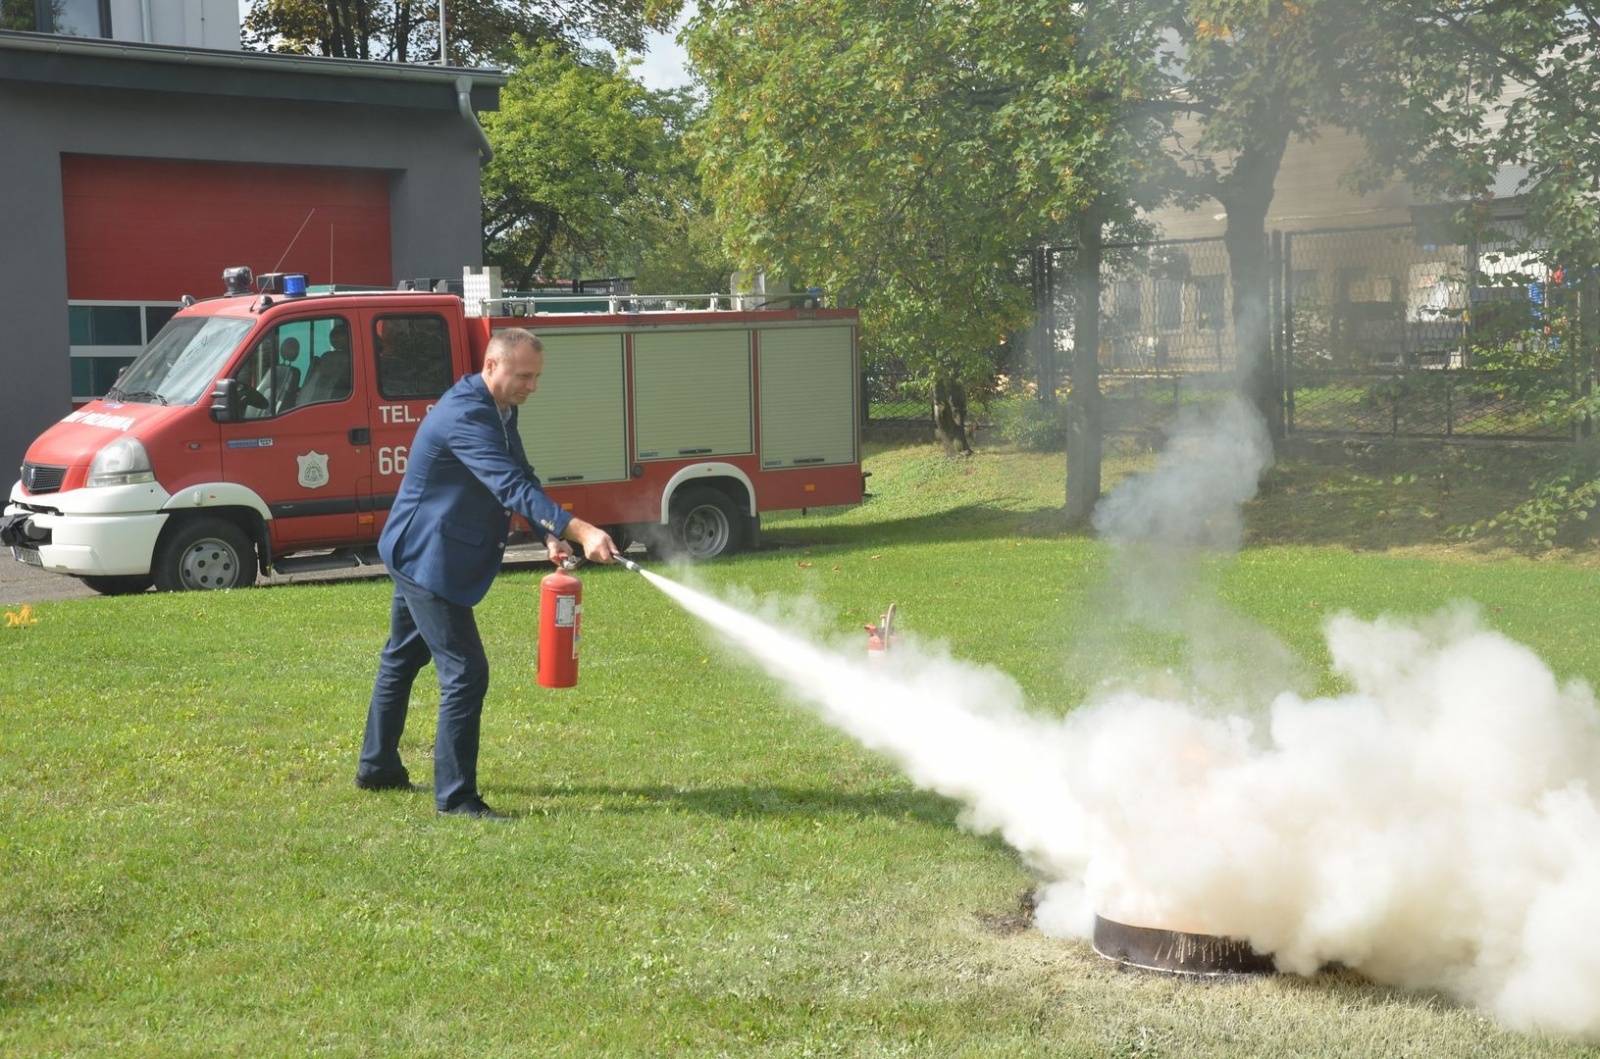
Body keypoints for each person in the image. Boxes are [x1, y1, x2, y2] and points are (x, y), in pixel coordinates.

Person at [355, 328, 621, 819]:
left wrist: (547, 533)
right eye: (524, 375)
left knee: (401, 657)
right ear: (492, 365)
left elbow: (520, 473)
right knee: (466, 672)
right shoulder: (466, 414)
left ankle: (378, 767)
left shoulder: (500, 408)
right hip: (426, 556)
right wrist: (579, 528)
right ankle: (456, 799)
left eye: (537, 377)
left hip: (419, 546)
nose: (532, 387)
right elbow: (505, 483)